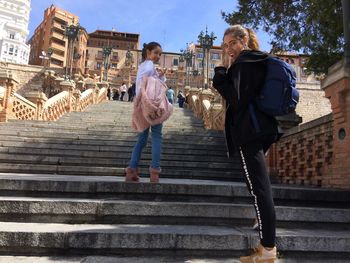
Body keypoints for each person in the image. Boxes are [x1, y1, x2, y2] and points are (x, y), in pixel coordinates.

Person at [212, 25, 281, 263]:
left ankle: (268, 249)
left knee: (259, 188)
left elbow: (236, 98)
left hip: (250, 130)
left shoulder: (244, 62)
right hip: (263, 128)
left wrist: (220, 73)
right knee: (256, 186)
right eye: (225, 44)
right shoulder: (257, 60)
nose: (228, 49)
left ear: (244, 41)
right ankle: (263, 226)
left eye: (232, 43)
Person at [125, 42, 168, 183]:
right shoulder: (150, 66)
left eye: (160, 54)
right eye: (156, 53)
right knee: (157, 136)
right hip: (153, 107)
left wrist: (159, 75)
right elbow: (154, 86)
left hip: (142, 106)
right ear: (148, 52)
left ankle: (132, 169)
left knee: (142, 139)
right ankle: (154, 172)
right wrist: (161, 77)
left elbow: (141, 87)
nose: (158, 56)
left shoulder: (143, 66)